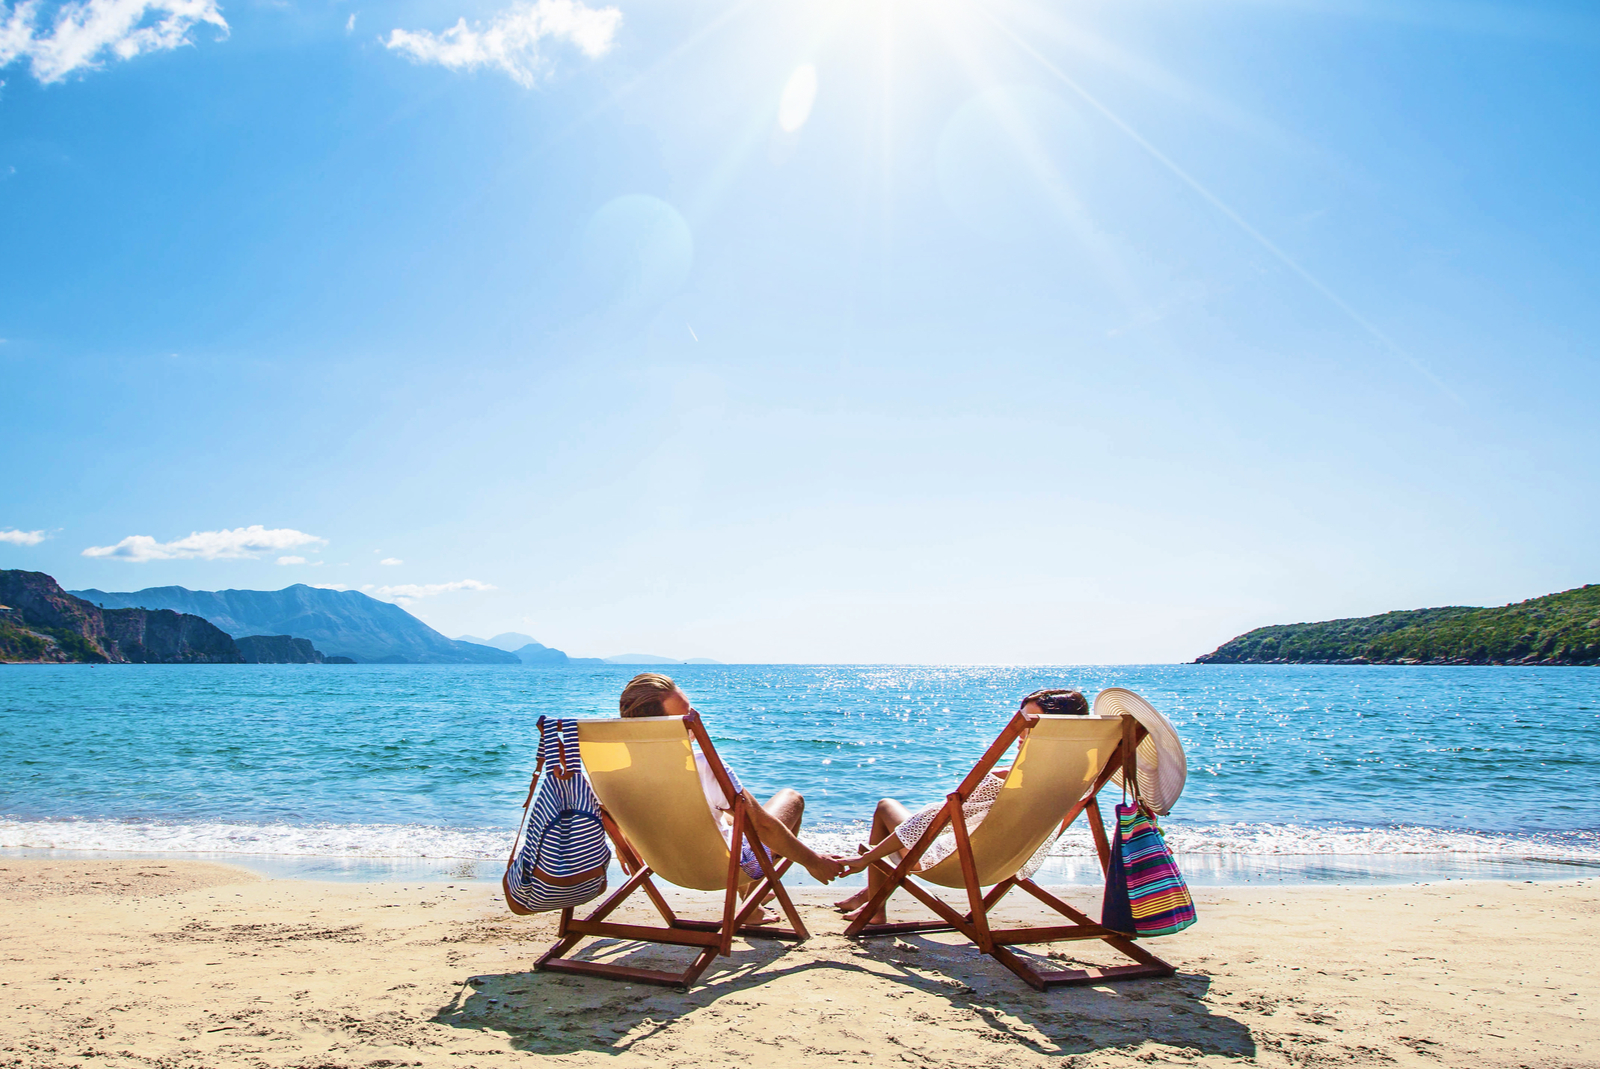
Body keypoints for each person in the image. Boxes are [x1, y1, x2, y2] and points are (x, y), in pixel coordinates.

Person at [832, 688, 1090, 924]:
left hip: (962, 869)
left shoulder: (1005, 778)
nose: (1021, 731)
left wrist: (866, 858)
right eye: (1021, 720)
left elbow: (933, 821)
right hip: (1009, 865)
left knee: (886, 807)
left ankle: (876, 909)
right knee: (926, 834)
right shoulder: (1082, 778)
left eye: (1031, 723)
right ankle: (869, 894)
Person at [617, 673, 847, 891]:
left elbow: (610, 813)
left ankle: (752, 902)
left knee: (726, 814)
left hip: (664, 868)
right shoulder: (705, 767)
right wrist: (814, 861)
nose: (696, 716)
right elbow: (763, 826)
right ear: (661, 727)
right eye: (687, 715)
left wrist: (624, 841)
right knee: (791, 798)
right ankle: (752, 905)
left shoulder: (612, 771)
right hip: (723, 872)